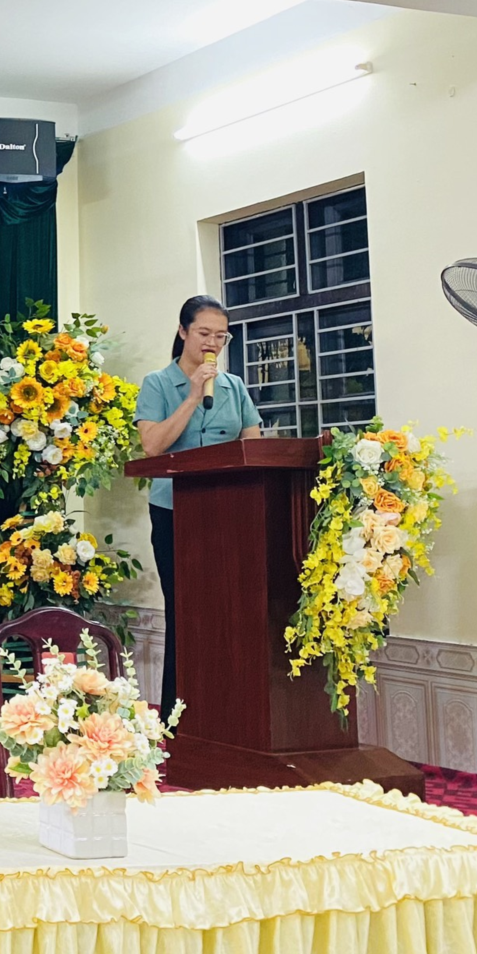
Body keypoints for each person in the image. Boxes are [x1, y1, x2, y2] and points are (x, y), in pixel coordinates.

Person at [135, 295, 262, 713]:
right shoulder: (158, 384)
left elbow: (253, 447)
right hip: (174, 512)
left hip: (230, 513)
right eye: (204, 333)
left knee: (230, 609)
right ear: (183, 331)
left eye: (221, 336)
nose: (212, 343)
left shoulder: (234, 387)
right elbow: (152, 446)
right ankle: (178, 715)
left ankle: (227, 709)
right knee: (185, 611)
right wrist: (191, 396)